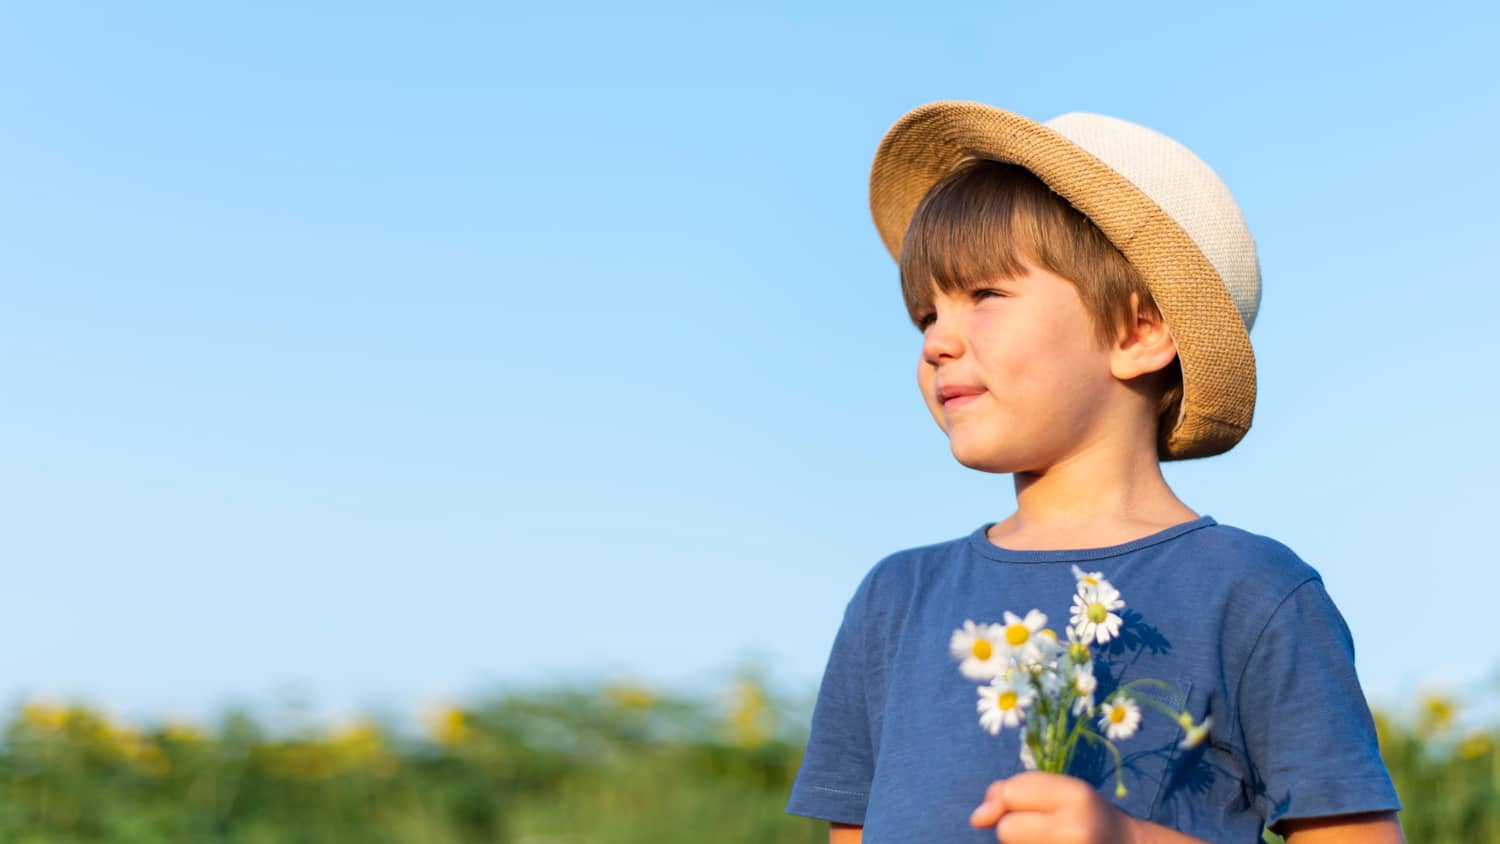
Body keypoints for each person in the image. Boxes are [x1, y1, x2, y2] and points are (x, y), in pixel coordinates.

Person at [784, 101, 1404, 843]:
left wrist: (1129, 838)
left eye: (983, 295)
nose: (938, 341)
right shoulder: (895, 600)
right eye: (925, 314)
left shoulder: (1254, 593)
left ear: (1139, 332)